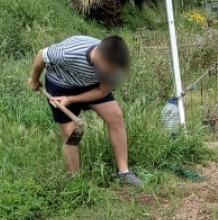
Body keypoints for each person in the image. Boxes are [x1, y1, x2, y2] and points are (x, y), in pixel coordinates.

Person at [29, 35, 142, 188]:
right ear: (99, 57)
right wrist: (34, 80)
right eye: (108, 70)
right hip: (61, 83)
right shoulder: (69, 53)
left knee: (116, 116)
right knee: (70, 132)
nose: (112, 73)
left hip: (92, 86)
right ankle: (76, 181)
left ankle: (124, 172)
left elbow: (102, 91)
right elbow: (41, 55)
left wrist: (72, 99)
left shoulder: (115, 68)